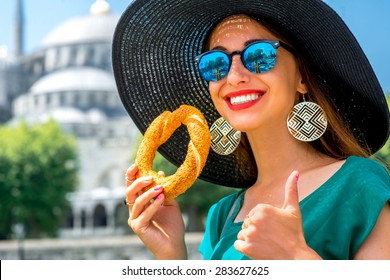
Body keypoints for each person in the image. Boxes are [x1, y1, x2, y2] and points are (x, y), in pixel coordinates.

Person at [112, 0, 390, 260]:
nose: (233, 77)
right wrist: (172, 255)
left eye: (259, 55)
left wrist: (297, 258)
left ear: (302, 77)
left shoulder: (360, 184)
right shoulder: (222, 215)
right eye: (215, 64)